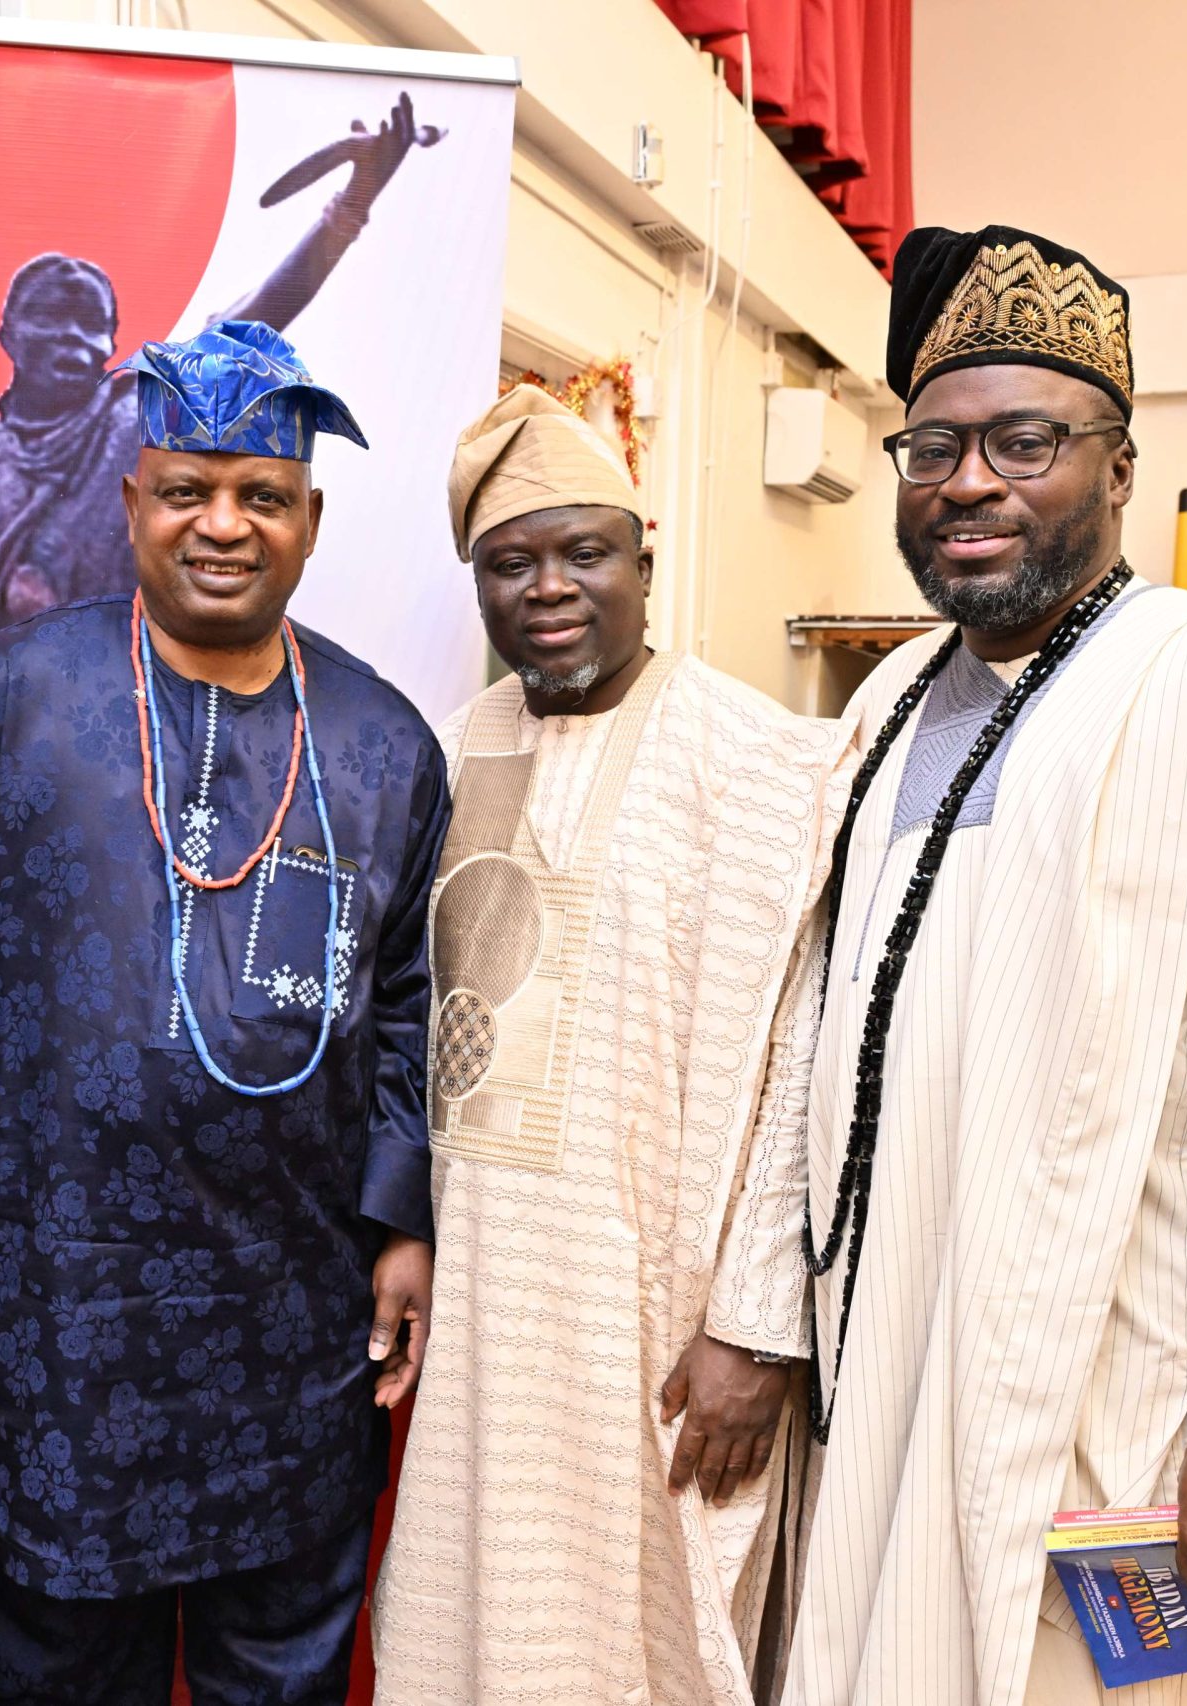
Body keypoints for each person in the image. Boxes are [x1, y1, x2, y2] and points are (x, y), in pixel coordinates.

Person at [782, 225, 1187, 1706]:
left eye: (1025, 441)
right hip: (887, 1367)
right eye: (934, 447)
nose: (970, 481)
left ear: (1120, 469)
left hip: (1111, 1401)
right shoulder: (886, 699)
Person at [0, 320, 449, 1705]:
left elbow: (407, 996)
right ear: (131, 503)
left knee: (279, 1672)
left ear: (310, 519)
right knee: (62, 1672)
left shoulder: (387, 742)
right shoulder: (1, 700)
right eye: (186, 490)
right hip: (61, 1309)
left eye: (262, 495)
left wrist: (402, 1216)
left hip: (295, 1314)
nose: (223, 524)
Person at [370, 386, 852, 1704]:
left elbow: (801, 1067)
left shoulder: (763, 761)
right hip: (482, 1313)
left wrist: (755, 1330)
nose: (549, 588)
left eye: (583, 551)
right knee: (467, 1623)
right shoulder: (448, 752)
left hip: (664, 1320)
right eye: (509, 563)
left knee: (642, 1641)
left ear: (644, 553)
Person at [0, 94, 441, 644]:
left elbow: (251, 318)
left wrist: (353, 201)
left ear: (109, 341)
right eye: (50, 317)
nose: (71, 339)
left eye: (88, 323)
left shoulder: (138, 420)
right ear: (9, 335)